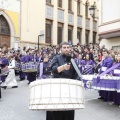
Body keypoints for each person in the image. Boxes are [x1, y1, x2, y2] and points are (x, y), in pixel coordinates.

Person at [46, 42, 79, 120]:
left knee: (68, 113)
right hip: (57, 89)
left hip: (69, 91)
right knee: (56, 113)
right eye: (64, 47)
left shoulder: (73, 60)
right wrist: (63, 67)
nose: (66, 49)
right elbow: (54, 70)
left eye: (68, 47)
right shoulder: (56, 58)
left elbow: (76, 74)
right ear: (60, 49)